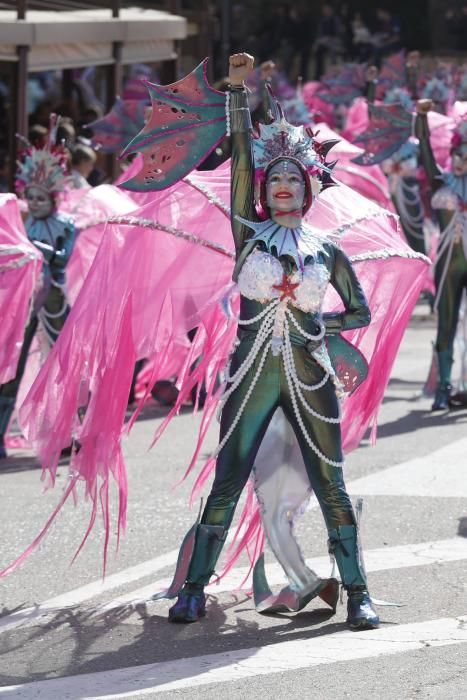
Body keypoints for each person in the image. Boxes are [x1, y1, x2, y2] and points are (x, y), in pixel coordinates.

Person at [168, 52, 379, 630]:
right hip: (252, 372)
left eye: (294, 178)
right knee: (228, 479)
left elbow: (358, 310)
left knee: (330, 481)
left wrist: (319, 325)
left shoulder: (326, 250)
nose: (283, 185)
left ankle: (357, 591)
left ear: (309, 188)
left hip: (309, 372)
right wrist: (238, 93)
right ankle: (192, 588)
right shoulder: (248, 233)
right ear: (265, 188)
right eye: (276, 178)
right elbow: (239, 164)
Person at [0, 119, 76, 459]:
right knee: (11, 366)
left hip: (57, 301)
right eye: (29, 196)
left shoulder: (66, 225)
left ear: (54, 196)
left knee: (61, 369)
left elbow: (63, 260)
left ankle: (63, 433)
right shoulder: (20, 223)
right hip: (26, 304)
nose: (34, 201)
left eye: (40, 196)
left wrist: (41, 252)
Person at [416, 100, 467, 410]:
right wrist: (421, 118)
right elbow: (424, 150)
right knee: (445, 324)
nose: (459, 160)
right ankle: (443, 389)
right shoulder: (442, 181)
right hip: (448, 264)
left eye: (465, 155)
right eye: (456, 154)